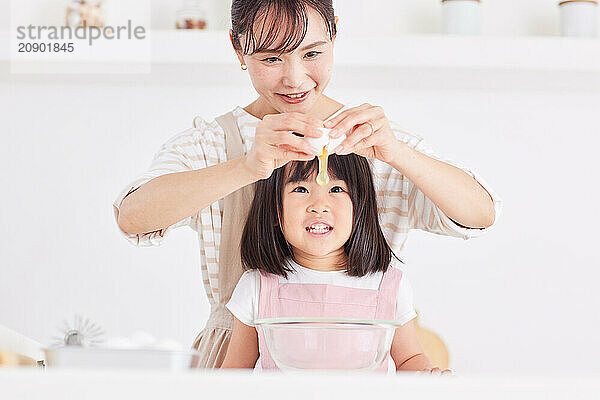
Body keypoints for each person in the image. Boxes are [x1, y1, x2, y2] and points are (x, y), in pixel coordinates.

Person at [113, 0, 501, 369]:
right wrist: (247, 167)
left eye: (312, 54)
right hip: (236, 360)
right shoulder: (213, 144)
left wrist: (398, 153)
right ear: (237, 48)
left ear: (334, 36)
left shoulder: (375, 141)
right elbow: (134, 217)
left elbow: (480, 215)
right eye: (270, 57)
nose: (294, 78)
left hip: (357, 364)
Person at [221, 153, 446, 373]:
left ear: (359, 206)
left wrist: (429, 377)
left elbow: (409, 359)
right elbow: (234, 375)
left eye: (336, 189)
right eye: (301, 189)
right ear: (274, 211)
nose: (319, 206)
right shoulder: (257, 286)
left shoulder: (388, 285)